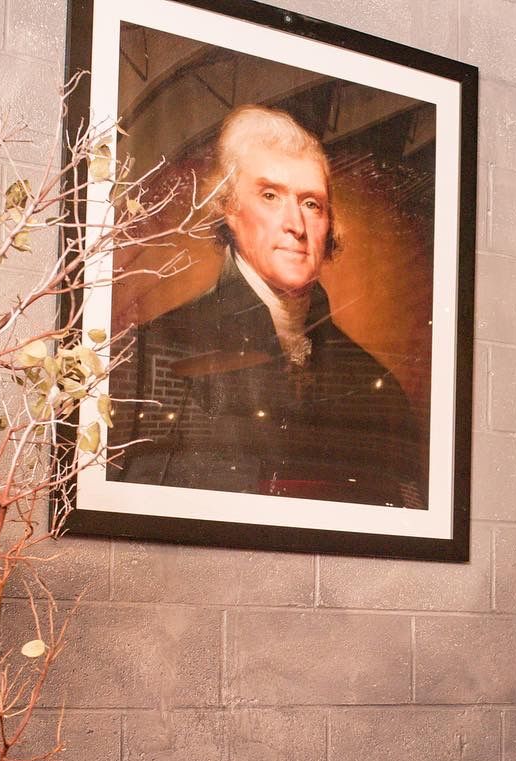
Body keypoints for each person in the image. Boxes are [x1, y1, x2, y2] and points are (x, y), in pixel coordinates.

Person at [119, 104, 424, 507]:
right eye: (270, 195)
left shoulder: (375, 385)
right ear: (228, 206)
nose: (296, 225)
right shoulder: (156, 352)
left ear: (329, 223)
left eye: (312, 203)